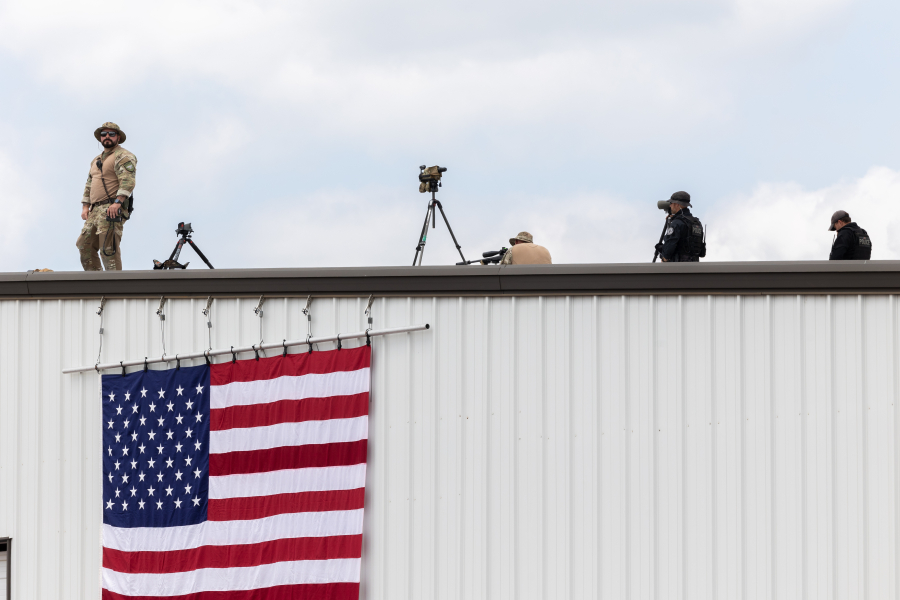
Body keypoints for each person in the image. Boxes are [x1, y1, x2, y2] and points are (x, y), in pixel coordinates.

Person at [76, 122, 137, 271]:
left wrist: (117, 203)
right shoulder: (96, 160)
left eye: (111, 134)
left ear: (118, 137)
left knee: (108, 249)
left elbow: (127, 181)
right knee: (84, 245)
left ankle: (116, 288)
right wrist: (85, 206)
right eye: (104, 134)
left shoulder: (123, 156)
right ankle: (96, 285)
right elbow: (89, 183)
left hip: (111, 208)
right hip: (95, 210)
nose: (107, 137)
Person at [655, 191, 706, 262]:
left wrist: (664, 257)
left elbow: (668, 250)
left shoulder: (677, 223)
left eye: (671, 203)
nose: (670, 206)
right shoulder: (696, 222)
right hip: (694, 266)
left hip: (679, 268)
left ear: (677, 205)